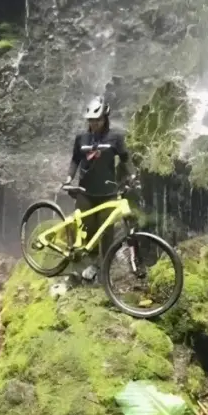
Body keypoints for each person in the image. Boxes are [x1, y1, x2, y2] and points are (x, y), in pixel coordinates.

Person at [63, 96, 137, 281]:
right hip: (85, 192)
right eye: (91, 120)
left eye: (98, 120)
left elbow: (125, 158)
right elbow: (75, 160)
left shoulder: (115, 137)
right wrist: (68, 178)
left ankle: (104, 272)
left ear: (105, 119)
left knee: (106, 233)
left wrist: (133, 175)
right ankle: (88, 267)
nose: (94, 124)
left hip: (108, 194)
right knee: (87, 230)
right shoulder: (82, 138)